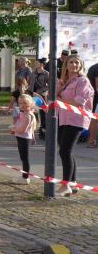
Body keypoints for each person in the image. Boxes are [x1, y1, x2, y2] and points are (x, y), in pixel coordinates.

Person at [55, 55, 95, 196]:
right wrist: (58, 89)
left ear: (81, 65)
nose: (74, 65)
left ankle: (66, 185)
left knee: (65, 151)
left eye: (77, 62)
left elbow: (79, 101)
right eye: (71, 62)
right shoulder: (65, 81)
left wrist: (60, 101)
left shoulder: (83, 80)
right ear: (66, 65)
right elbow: (55, 97)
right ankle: (73, 183)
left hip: (76, 118)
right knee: (66, 151)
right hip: (63, 117)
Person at [10, 94, 36, 185]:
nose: (22, 105)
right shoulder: (22, 113)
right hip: (20, 137)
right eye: (20, 103)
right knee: (23, 158)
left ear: (30, 103)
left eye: (25, 103)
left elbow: (23, 129)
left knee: (25, 159)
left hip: (24, 138)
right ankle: (24, 176)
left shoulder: (28, 115)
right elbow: (19, 124)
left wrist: (13, 129)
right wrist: (14, 128)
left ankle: (25, 178)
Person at [32, 58, 50, 138]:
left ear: (42, 64)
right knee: (33, 111)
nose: (35, 64)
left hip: (42, 95)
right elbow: (30, 83)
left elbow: (49, 85)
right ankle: (33, 127)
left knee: (43, 113)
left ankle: (43, 130)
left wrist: (44, 91)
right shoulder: (33, 73)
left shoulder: (46, 73)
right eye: (35, 63)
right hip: (33, 94)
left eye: (37, 63)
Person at [87, 59, 98, 148]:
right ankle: (92, 141)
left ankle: (92, 140)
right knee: (95, 119)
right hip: (96, 97)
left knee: (94, 118)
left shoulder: (93, 67)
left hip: (92, 97)